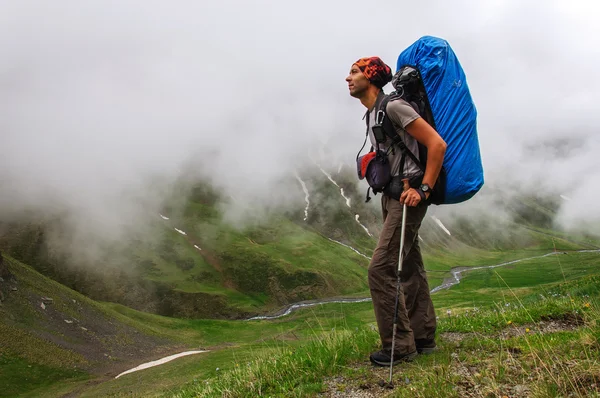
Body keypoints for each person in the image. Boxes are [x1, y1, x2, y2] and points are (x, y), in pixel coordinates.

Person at [346, 57, 447, 366]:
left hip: (409, 196)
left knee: (381, 269)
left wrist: (424, 189)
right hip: (393, 197)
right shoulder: (373, 113)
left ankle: (399, 346)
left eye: (355, 72)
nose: (348, 78)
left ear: (372, 76)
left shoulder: (393, 107)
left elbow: (437, 145)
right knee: (411, 266)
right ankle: (423, 336)